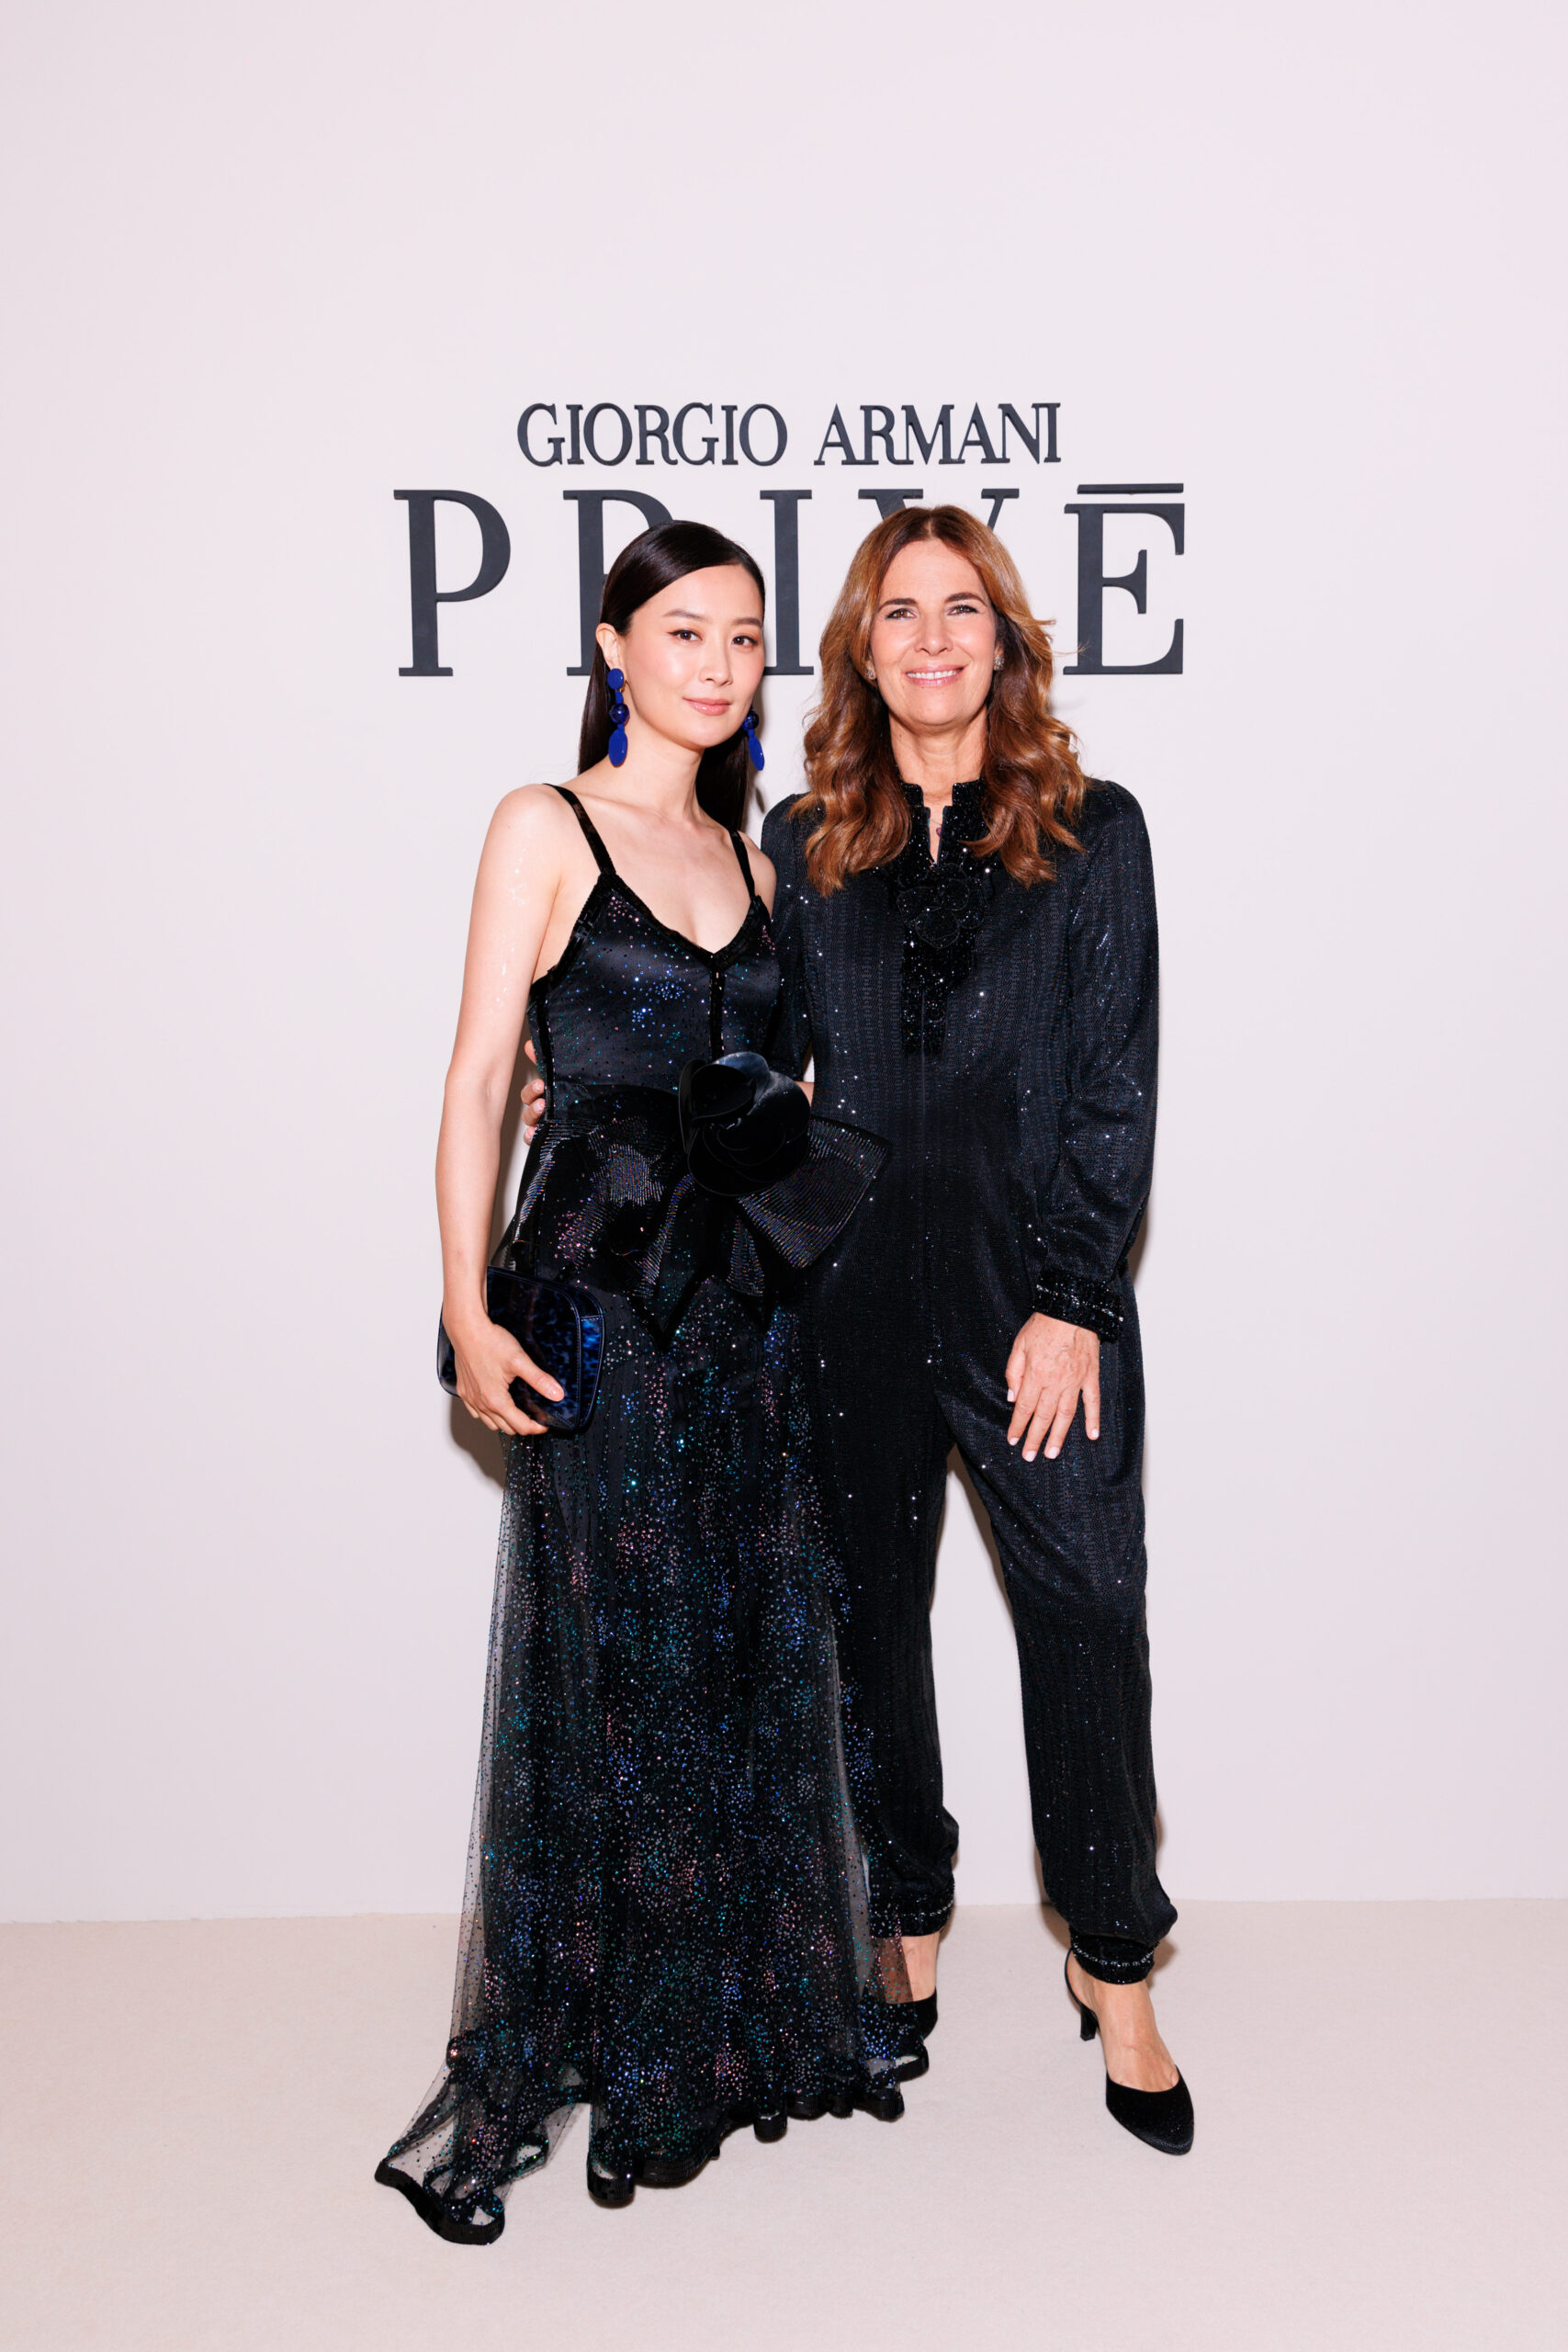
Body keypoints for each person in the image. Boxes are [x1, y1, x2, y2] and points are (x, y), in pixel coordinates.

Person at [378, 521, 917, 2242]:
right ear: (614, 647)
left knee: (740, 1650)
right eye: (684, 631)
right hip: (595, 1309)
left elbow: (775, 1088)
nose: (718, 663)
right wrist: (464, 1304)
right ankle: (629, 2051)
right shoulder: (543, 825)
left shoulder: (758, 858)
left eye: (744, 636)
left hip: (737, 1319)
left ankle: (732, 2028)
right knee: (619, 1665)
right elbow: (480, 1079)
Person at [761, 504, 1192, 2154]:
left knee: (1086, 1614)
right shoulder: (806, 841)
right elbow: (749, 1063)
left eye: (962, 610)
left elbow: (1115, 1083)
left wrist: (1075, 1300)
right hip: (850, 1299)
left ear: (1005, 643)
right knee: (869, 1622)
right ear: (861, 650)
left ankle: (1117, 1959)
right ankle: (908, 1916)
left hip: (1035, 1299)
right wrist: (578, 1082)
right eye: (900, 612)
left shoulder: (1092, 832)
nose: (932, 638)